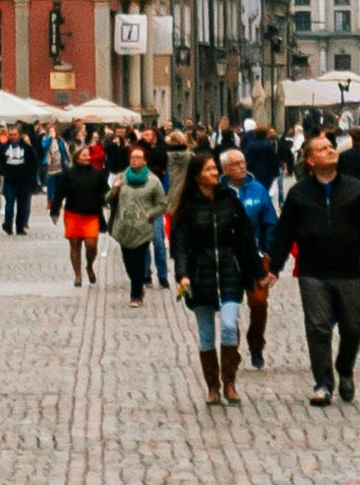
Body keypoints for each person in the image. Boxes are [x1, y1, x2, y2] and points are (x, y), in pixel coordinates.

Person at [276, 132, 360, 404]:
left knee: (353, 327)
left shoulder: (354, 189)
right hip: (312, 271)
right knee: (318, 328)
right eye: (323, 148)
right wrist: (274, 266)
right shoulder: (299, 194)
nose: (331, 150)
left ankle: (344, 368)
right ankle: (323, 384)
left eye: (331, 146)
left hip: (348, 269)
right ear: (310, 160)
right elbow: (284, 233)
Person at [171, 149, 263, 405]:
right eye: (209, 170)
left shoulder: (229, 199)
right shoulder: (187, 207)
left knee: (229, 325)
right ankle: (213, 387)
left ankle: (230, 383)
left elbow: (245, 236)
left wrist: (258, 271)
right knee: (206, 334)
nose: (214, 173)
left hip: (229, 270)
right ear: (197, 176)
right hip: (200, 274)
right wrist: (183, 275)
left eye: (215, 169)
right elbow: (180, 246)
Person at [233, 156, 282, 371]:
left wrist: (270, 253)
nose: (242, 166)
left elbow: (271, 222)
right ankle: (230, 348)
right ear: (225, 168)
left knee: (259, 303)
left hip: (257, 256)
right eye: (236, 164)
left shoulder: (258, 190)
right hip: (230, 258)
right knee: (230, 306)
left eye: (243, 162)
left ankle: (256, 344)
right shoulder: (221, 191)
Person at [107, 144, 169, 301]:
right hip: (124, 226)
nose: (134, 160)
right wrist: (114, 189)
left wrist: (150, 214)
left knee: (140, 259)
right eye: (132, 157)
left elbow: (162, 203)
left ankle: (135, 295)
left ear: (144, 161)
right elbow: (107, 199)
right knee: (128, 260)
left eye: (138, 157)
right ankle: (138, 284)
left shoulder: (153, 181)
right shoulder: (121, 177)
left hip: (143, 226)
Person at [55, 143, 110, 286]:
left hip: (92, 214)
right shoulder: (68, 173)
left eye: (88, 155)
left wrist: (108, 200)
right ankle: (78, 276)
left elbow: (105, 191)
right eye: (84, 155)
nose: (87, 157)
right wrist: (55, 210)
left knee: (91, 245)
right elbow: (60, 192)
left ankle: (89, 265)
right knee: (75, 244)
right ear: (76, 158)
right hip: (73, 213)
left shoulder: (97, 173)